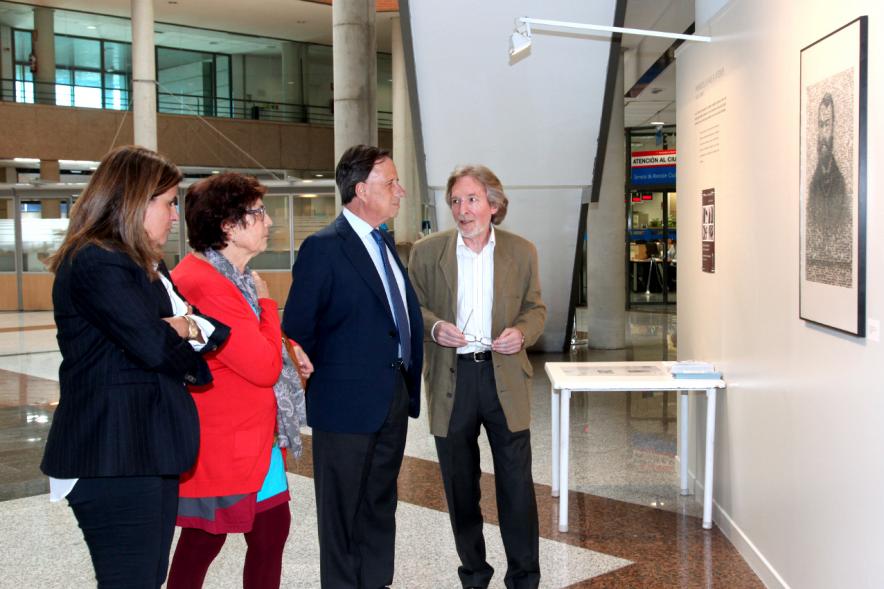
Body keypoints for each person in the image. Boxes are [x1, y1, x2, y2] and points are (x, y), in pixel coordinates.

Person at [40, 145, 229, 588]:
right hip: (113, 453)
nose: (173, 214)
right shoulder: (96, 261)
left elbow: (208, 331)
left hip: (144, 448)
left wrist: (178, 326)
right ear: (135, 201)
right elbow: (154, 346)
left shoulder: (144, 263)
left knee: (144, 577)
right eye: (167, 203)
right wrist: (177, 330)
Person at [282, 144, 424, 588]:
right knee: (342, 516)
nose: (400, 190)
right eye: (391, 182)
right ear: (361, 190)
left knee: (380, 505)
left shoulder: (385, 243)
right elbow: (296, 330)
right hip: (343, 407)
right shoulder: (324, 248)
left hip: (392, 398)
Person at [167, 173, 312, 589]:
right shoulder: (205, 281)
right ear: (228, 225)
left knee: (270, 531)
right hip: (225, 443)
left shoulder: (235, 277)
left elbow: (252, 342)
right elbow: (262, 366)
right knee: (203, 540)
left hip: (255, 439)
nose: (268, 222)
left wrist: (286, 344)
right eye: (258, 213)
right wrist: (268, 303)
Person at [408, 164, 546, 589]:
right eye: (455, 201)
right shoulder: (427, 252)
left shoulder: (521, 251)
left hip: (504, 378)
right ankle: (474, 573)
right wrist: (434, 328)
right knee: (459, 486)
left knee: (516, 485)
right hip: (452, 382)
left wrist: (521, 333)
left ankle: (523, 578)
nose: (462, 210)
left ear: (493, 204)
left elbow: (536, 309)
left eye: (471, 199)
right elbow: (413, 309)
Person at [806, 92, 852, 287]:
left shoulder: (841, 184)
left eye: (827, 124)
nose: (822, 134)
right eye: (820, 125)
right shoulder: (811, 187)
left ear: (835, 129)